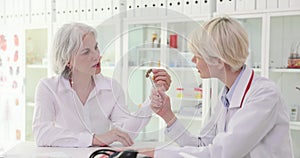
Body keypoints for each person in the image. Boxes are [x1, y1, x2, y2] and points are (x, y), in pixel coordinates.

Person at [141, 17, 293, 157]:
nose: (193, 60)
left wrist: (156, 153)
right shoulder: (227, 94)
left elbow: (221, 153)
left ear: (219, 60)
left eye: (198, 55)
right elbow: (202, 145)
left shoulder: (264, 94)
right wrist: (167, 115)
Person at [32, 22, 171, 147]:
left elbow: (125, 134)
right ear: (68, 60)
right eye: (86, 52)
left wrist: (151, 104)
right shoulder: (48, 88)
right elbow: (42, 134)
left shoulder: (111, 88)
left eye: (96, 47)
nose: (97, 56)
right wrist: (94, 139)